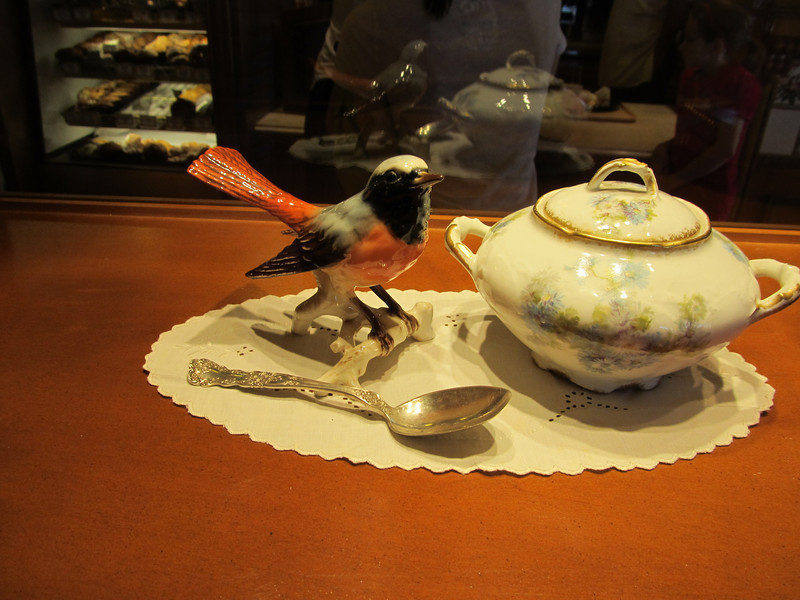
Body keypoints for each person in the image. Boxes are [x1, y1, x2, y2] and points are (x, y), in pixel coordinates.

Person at [651, 0, 762, 221]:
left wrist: (675, 180)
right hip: (680, 183)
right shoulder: (689, 77)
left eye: (690, 39)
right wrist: (666, 148)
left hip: (710, 193)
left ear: (717, 46)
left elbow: (724, 149)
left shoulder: (739, 83)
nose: (681, 46)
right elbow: (692, 131)